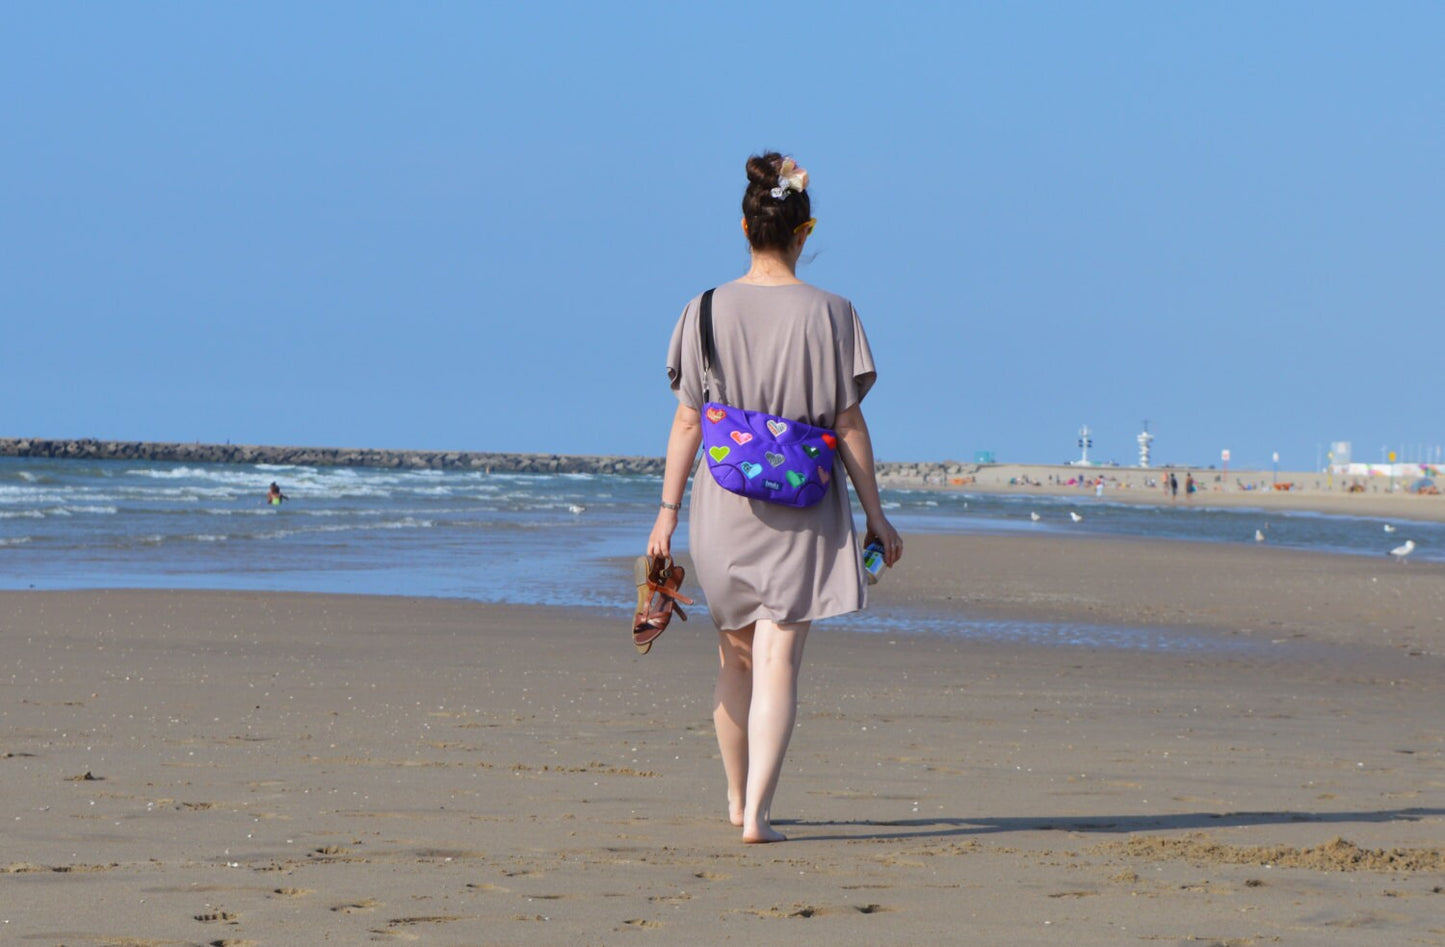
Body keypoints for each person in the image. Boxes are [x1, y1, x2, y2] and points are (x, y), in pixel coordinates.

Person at [647, 152, 902, 844]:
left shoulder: (701, 308)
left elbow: (687, 419)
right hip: (806, 504)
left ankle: (735, 798)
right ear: (803, 230)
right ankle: (758, 814)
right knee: (778, 658)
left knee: (734, 659)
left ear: (744, 226)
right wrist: (876, 515)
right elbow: (847, 423)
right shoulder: (834, 313)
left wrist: (665, 514)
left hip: (723, 508)